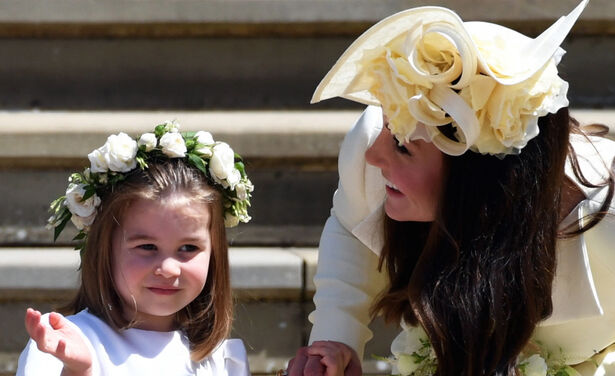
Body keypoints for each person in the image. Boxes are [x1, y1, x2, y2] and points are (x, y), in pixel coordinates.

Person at [286, 0, 615, 375]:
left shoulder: (609, 222)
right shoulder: (369, 146)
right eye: (385, 126)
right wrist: (336, 338)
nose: (374, 156)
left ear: (479, 180)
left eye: (402, 146)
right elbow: (353, 229)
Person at [17, 121, 254, 376]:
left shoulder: (222, 358)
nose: (168, 268)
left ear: (214, 252)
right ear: (105, 248)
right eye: (147, 246)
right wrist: (78, 371)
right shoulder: (65, 343)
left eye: (188, 247)